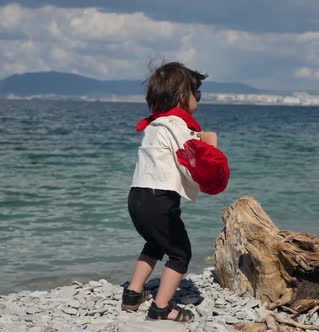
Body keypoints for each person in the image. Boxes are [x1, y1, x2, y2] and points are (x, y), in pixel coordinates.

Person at [121, 62, 230, 322]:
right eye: (197, 94)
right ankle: (161, 308)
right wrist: (211, 145)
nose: (198, 100)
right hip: (159, 200)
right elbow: (194, 162)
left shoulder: (154, 126)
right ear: (183, 97)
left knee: (155, 243)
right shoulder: (177, 126)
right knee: (181, 253)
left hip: (137, 197)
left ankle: (132, 295)